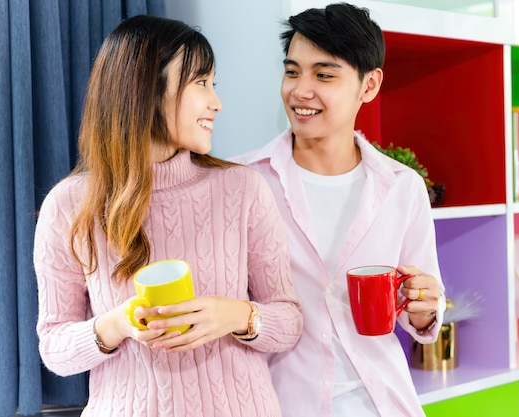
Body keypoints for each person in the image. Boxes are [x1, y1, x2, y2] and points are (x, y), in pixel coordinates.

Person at [34, 15, 302, 417]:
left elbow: (290, 320)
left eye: (214, 84)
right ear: (145, 91)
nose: (216, 101)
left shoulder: (242, 190)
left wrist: (236, 315)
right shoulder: (70, 206)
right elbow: (54, 347)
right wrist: (118, 324)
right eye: (201, 83)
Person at [233, 3, 445, 417]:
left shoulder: (403, 188)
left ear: (369, 86)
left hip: (381, 403)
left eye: (324, 75)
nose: (300, 90)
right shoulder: (243, 183)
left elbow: (422, 311)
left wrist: (425, 309)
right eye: (292, 71)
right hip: (278, 403)